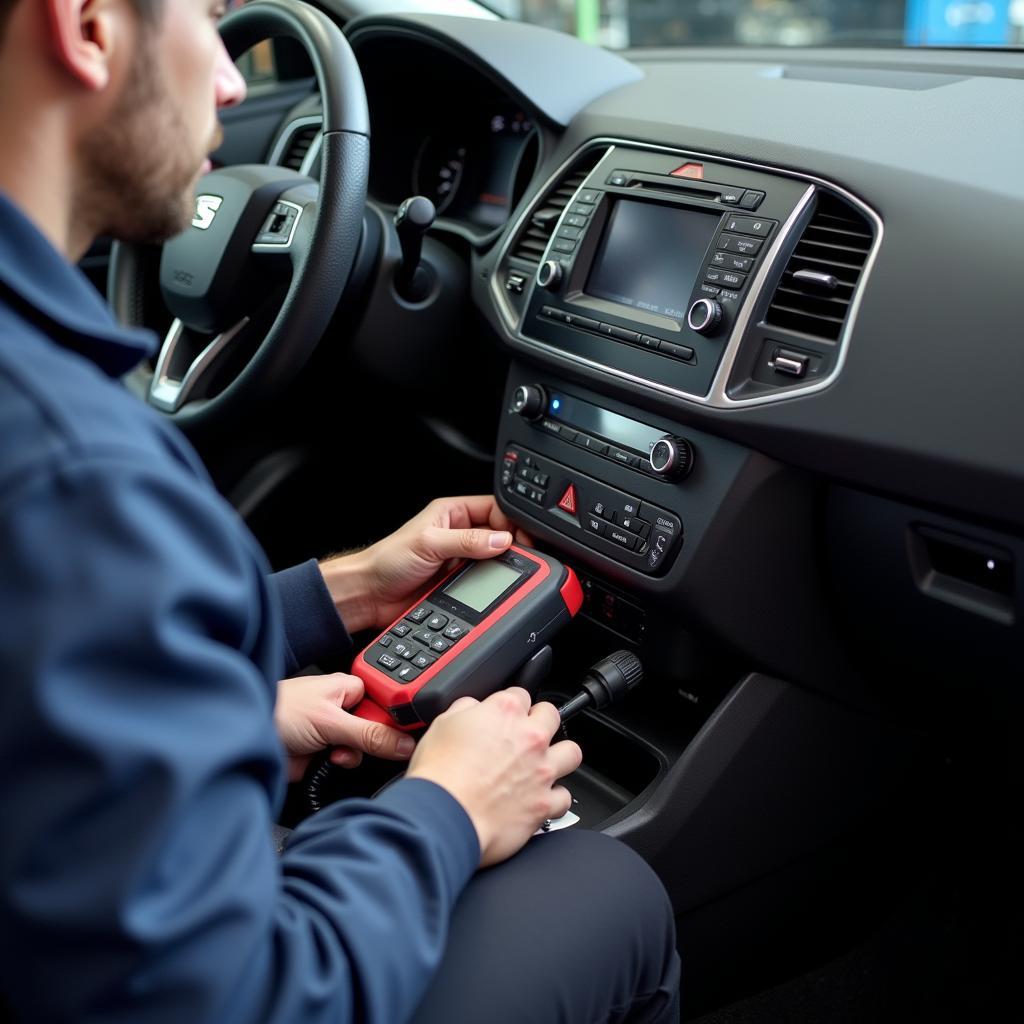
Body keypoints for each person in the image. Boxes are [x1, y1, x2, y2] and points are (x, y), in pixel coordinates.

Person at [0, 1, 681, 1021]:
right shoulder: (75, 466)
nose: (231, 82)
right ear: (90, 25)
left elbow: (48, 651)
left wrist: (340, 596)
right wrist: (445, 810)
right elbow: (242, 997)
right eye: (206, 16)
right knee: (612, 893)